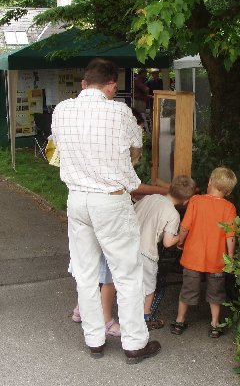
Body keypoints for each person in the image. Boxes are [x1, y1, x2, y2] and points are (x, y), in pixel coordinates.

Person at [51, 58, 161, 363]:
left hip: (77, 198)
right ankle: (134, 344)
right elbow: (136, 151)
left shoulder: (61, 110)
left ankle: (94, 340)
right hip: (110, 200)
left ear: (84, 84)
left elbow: (57, 150)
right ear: (112, 85)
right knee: (126, 274)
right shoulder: (121, 113)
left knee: (85, 274)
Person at [170, 167, 237, 338]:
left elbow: (185, 227)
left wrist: (181, 242)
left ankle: (179, 321)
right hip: (216, 260)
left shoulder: (196, 201)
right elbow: (230, 236)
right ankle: (215, 324)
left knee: (187, 289)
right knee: (216, 293)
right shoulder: (229, 207)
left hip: (193, 256)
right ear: (228, 192)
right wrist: (230, 258)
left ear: (210, 182)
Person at [134, 175, 197, 330]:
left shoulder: (152, 197)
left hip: (128, 245)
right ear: (186, 201)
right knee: (149, 288)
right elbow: (168, 242)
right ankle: (146, 317)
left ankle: (129, 313)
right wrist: (184, 234)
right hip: (146, 251)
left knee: (131, 282)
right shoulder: (173, 214)